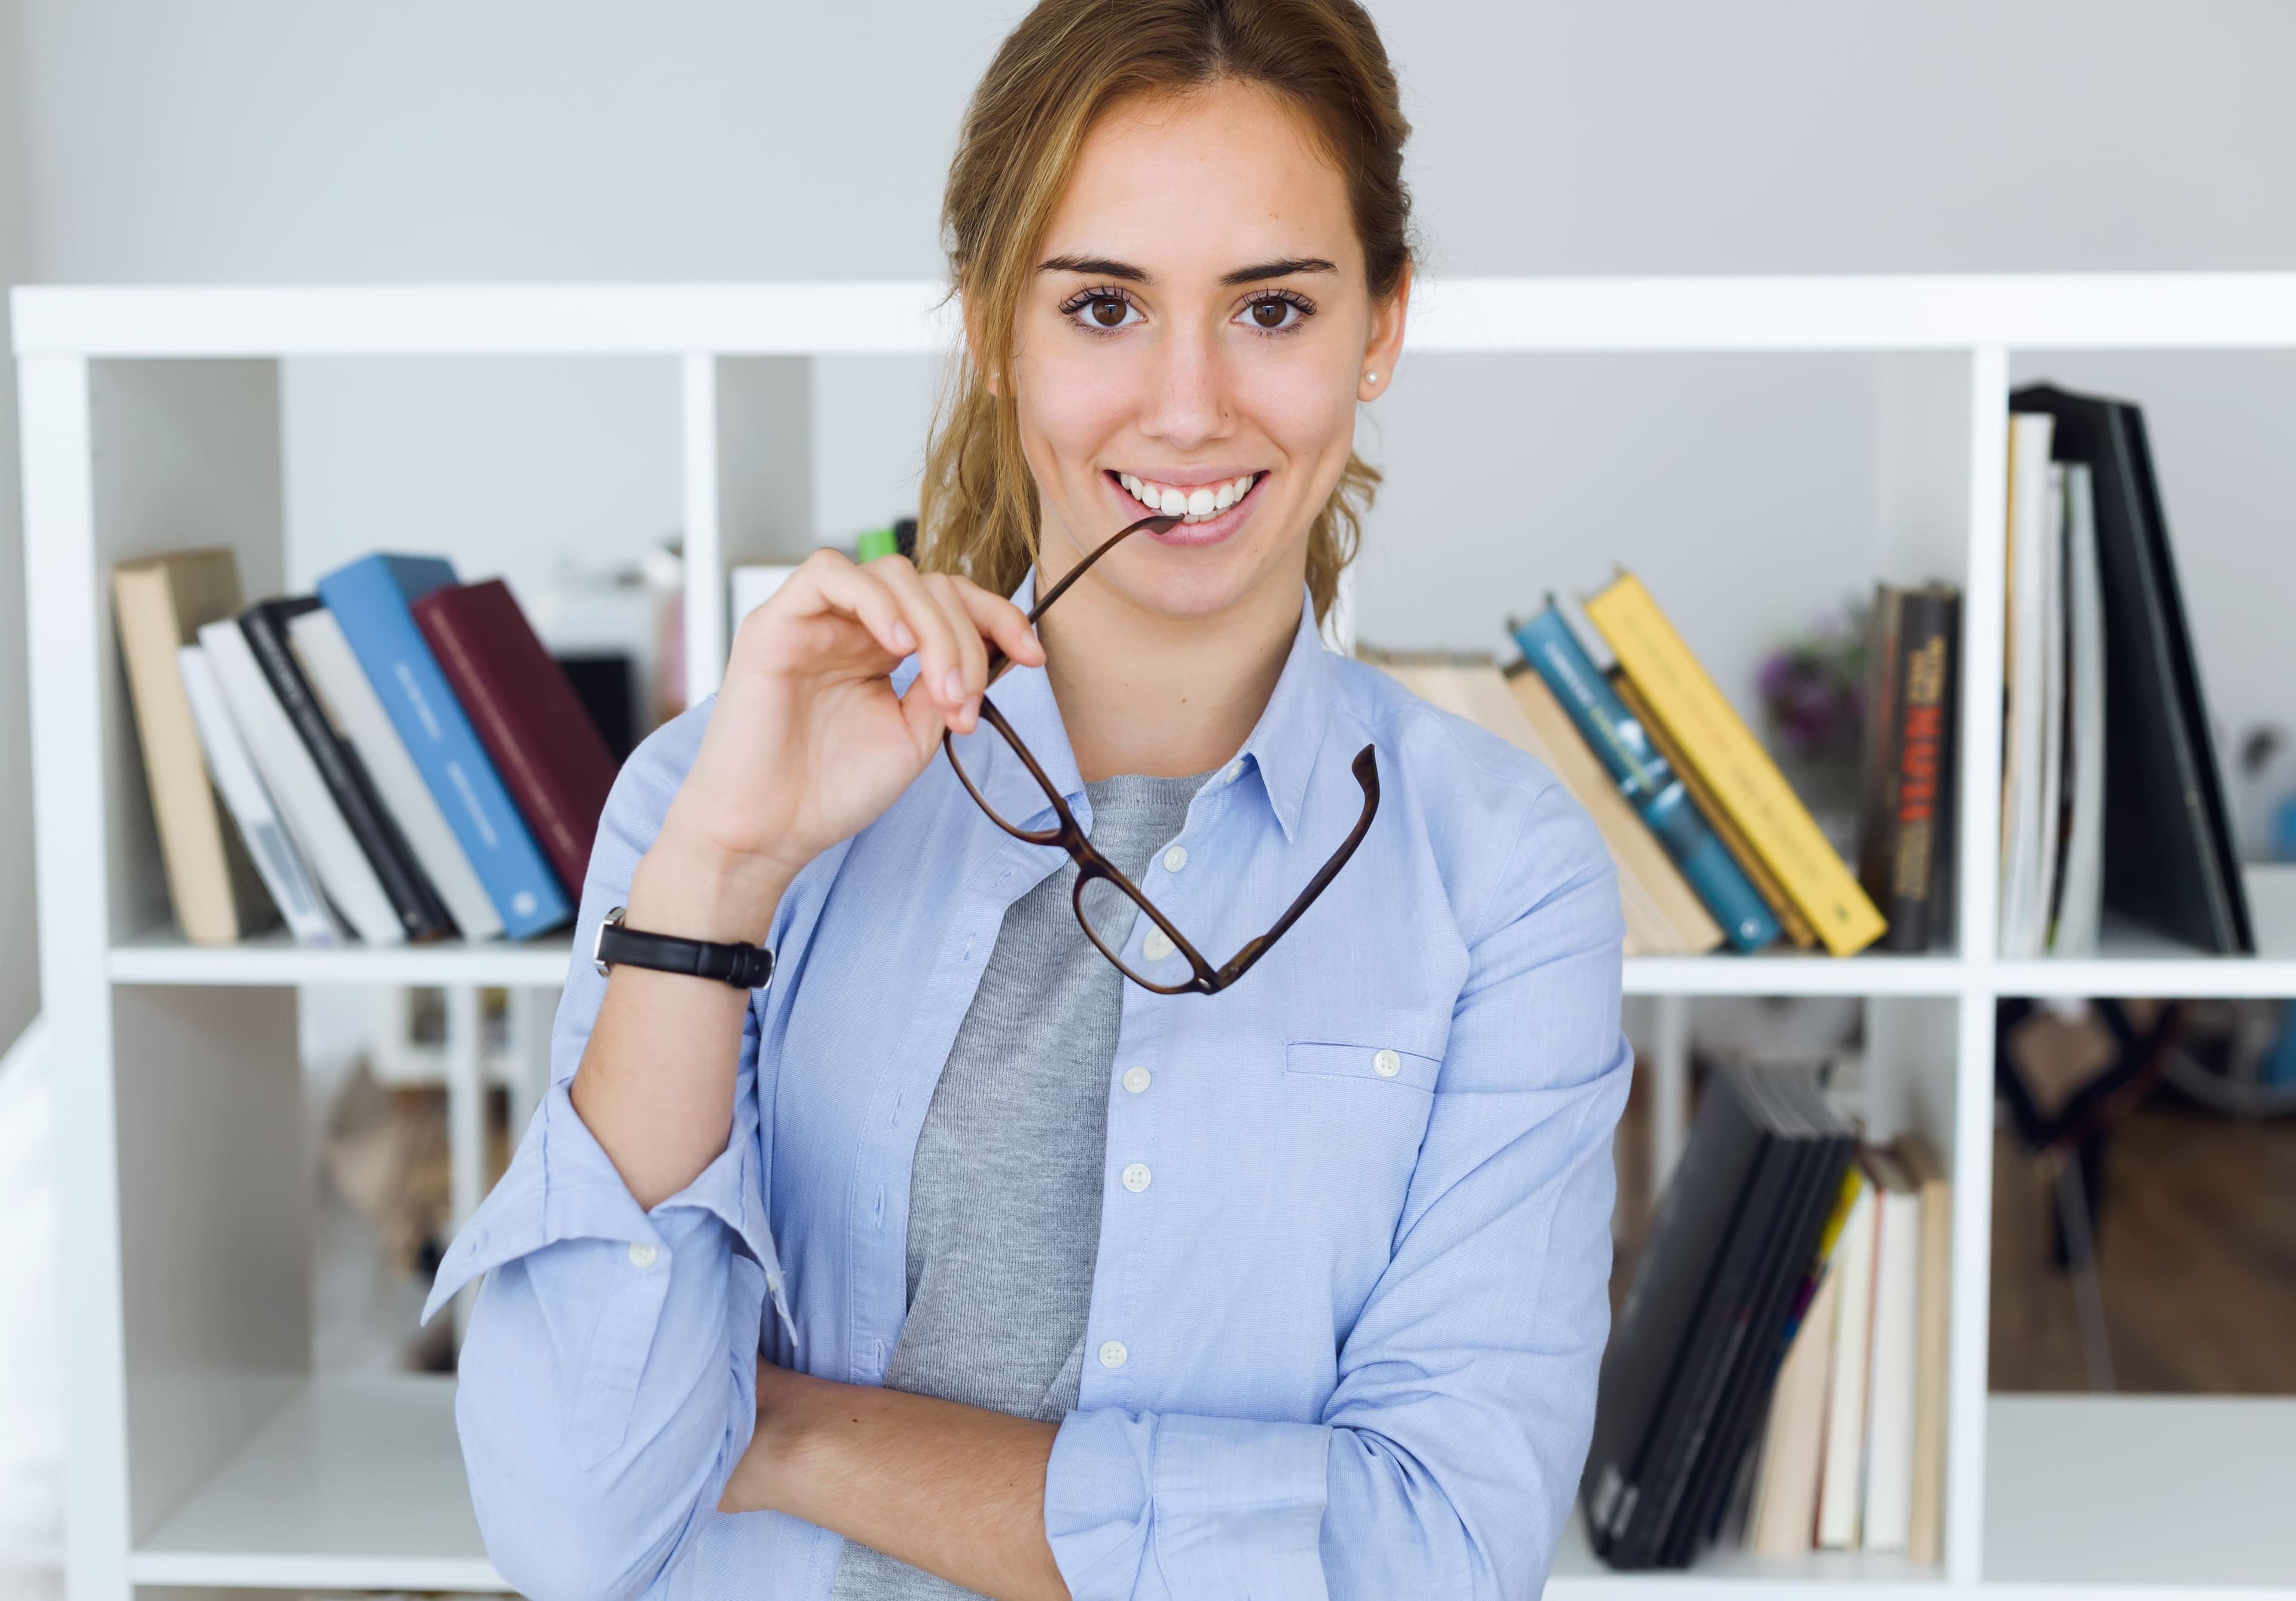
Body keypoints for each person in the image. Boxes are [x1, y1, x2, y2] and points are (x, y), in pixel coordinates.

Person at [426, 1, 1632, 1596]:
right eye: (1105, 307)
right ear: (999, 329)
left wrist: (788, 1436)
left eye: (1272, 307)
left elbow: (1440, 1557)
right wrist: (718, 878)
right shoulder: (718, 803)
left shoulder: (1502, 874)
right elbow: (582, 1522)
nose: (1190, 406)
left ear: (1380, 328)